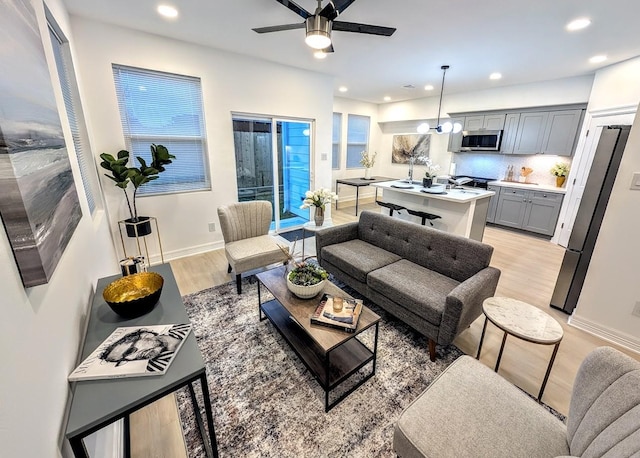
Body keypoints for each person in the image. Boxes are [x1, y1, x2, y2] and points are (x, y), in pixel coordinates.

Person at [99, 328, 182, 366]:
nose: (133, 357)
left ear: (145, 335)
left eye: (130, 351)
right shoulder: (155, 367)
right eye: (123, 359)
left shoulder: (180, 328)